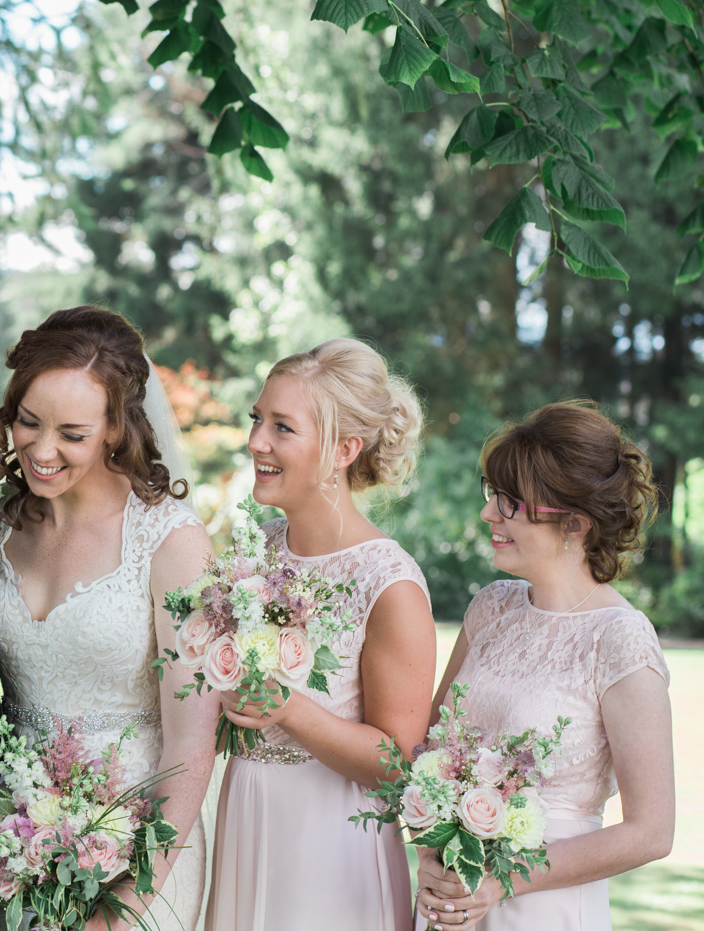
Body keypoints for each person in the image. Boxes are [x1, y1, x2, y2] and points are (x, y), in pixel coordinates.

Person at [0, 305, 219, 930]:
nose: (41, 449)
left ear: (116, 428)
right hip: (17, 840)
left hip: (138, 849)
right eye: (28, 422)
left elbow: (194, 741)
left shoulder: (169, 543)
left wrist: (129, 902)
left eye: (72, 434)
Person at [415, 402, 674, 931]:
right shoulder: (490, 608)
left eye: (509, 502)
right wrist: (431, 854)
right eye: (491, 494)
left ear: (575, 524)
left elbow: (652, 831)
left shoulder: (620, 640)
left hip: (545, 910)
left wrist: (503, 880)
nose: (489, 514)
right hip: (452, 901)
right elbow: (430, 752)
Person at [205, 338, 436, 931]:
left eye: (282, 427)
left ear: (343, 450)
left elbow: (399, 762)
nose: (257, 440)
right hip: (248, 812)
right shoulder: (254, 555)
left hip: (332, 844)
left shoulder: (389, 584)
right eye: (258, 419)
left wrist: (286, 708)